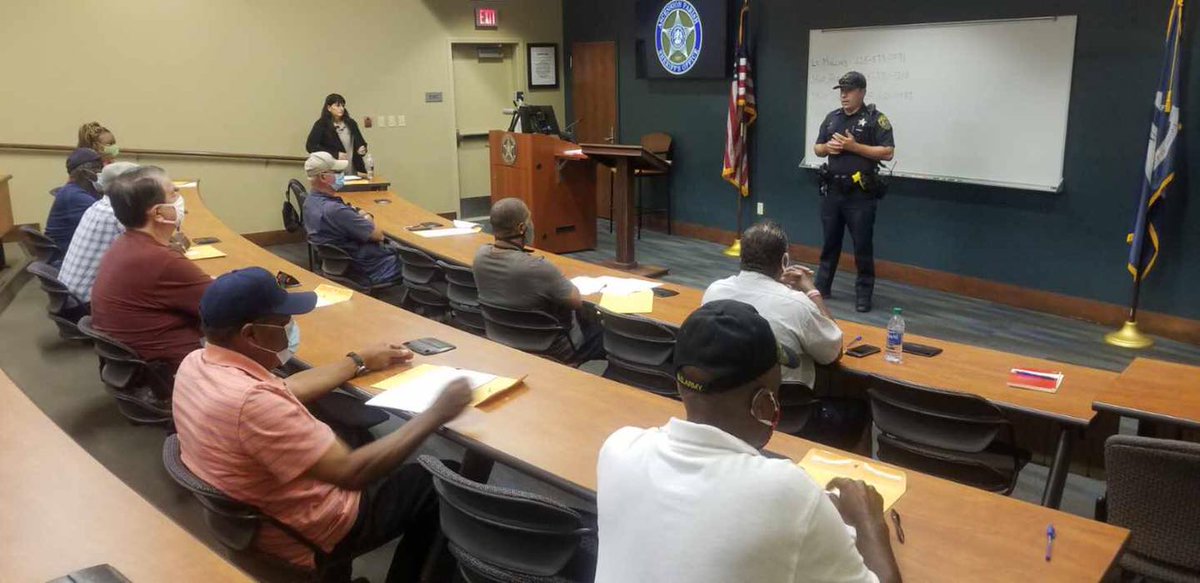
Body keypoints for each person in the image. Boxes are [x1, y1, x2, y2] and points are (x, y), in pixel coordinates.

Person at [173, 267, 472, 580]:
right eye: (283, 323)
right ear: (250, 334)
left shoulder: (198, 364)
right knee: (442, 476)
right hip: (312, 531)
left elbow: (288, 389)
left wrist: (358, 361)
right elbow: (352, 472)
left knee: (350, 430)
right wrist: (437, 412)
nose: (290, 328)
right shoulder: (252, 403)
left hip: (254, 518)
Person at [595, 300, 901, 583]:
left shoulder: (619, 447)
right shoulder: (788, 491)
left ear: (679, 383)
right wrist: (868, 519)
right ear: (764, 403)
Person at [91, 166, 210, 372]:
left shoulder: (125, 243)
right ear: (158, 213)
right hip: (175, 369)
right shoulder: (161, 260)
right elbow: (225, 306)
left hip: (139, 360)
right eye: (174, 193)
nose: (180, 198)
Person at [703, 221, 842, 390]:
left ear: (741, 256)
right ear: (784, 260)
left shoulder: (714, 292)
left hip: (730, 396)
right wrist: (812, 291)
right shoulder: (798, 305)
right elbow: (834, 353)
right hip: (786, 408)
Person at [473, 197, 605, 364]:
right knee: (610, 336)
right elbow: (576, 301)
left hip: (501, 338)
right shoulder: (538, 267)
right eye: (530, 220)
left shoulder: (480, 257)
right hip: (554, 348)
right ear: (522, 228)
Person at [813, 71, 895, 313]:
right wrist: (827, 147)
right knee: (829, 242)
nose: (844, 95)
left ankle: (863, 294)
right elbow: (817, 148)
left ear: (862, 92)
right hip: (833, 191)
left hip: (860, 194)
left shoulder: (875, 119)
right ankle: (822, 287)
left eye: (849, 90)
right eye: (841, 90)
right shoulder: (832, 118)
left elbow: (888, 152)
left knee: (862, 246)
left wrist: (854, 147)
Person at [302, 152, 402, 285]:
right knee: (422, 265)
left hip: (341, 266)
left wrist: (358, 214)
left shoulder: (310, 202)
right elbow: (377, 235)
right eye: (337, 171)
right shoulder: (335, 211)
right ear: (323, 177)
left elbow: (351, 211)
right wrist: (366, 216)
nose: (341, 175)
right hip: (368, 269)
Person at [59, 162, 140, 303]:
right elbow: (150, 255)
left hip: (71, 294)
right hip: (87, 301)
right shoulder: (117, 215)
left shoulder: (98, 206)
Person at [44, 148, 104, 255]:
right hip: (63, 256)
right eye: (97, 169)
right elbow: (105, 223)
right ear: (84, 173)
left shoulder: (77, 190)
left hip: (67, 250)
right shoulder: (75, 196)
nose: (100, 173)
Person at [306, 93, 369, 176]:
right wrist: (335, 154)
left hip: (354, 169)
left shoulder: (351, 123)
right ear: (329, 108)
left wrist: (362, 148)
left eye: (343, 106)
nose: (341, 108)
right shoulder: (321, 124)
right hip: (333, 170)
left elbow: (361, 142)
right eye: (338, 106)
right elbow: (310, 146)